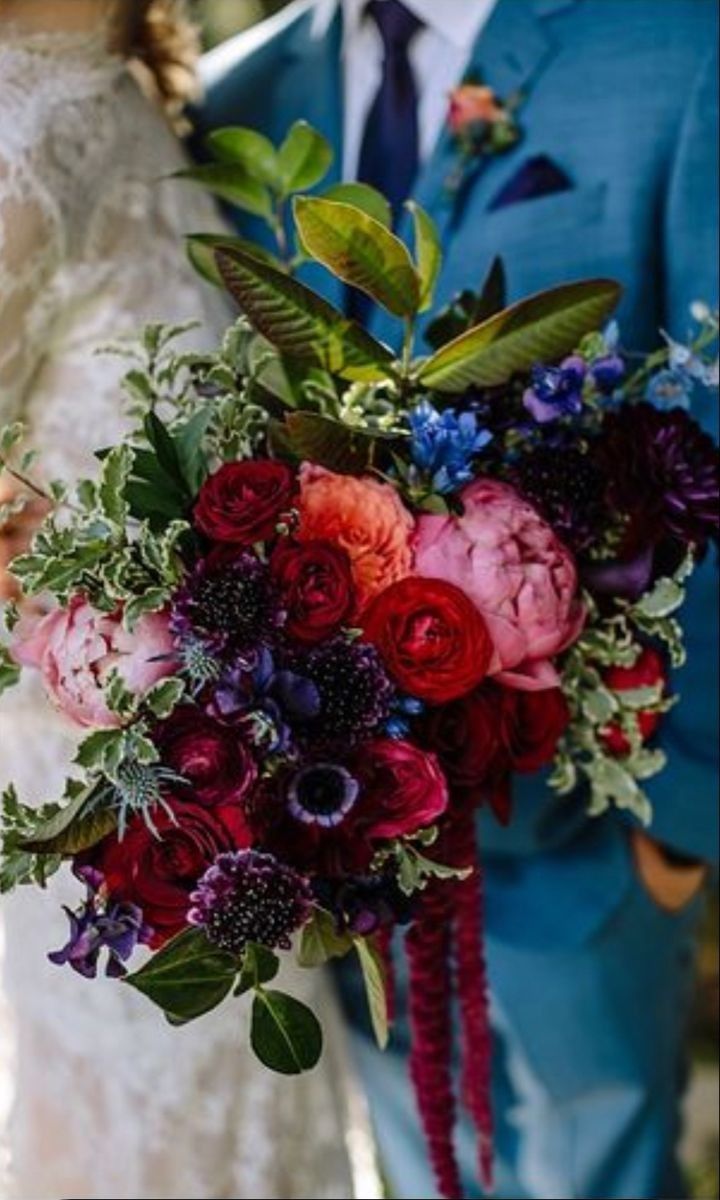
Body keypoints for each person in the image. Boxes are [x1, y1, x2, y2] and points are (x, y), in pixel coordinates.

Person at [196, 1, 720, 1196]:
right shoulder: (237, 94)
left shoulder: (678, 46)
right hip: (336, 833)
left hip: (593, 835)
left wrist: (677, 826)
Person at [0, 3, 378, 1198]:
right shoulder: (17, 127)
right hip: (84, 851)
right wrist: (72, 581)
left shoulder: (150, 100)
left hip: (229, 832)